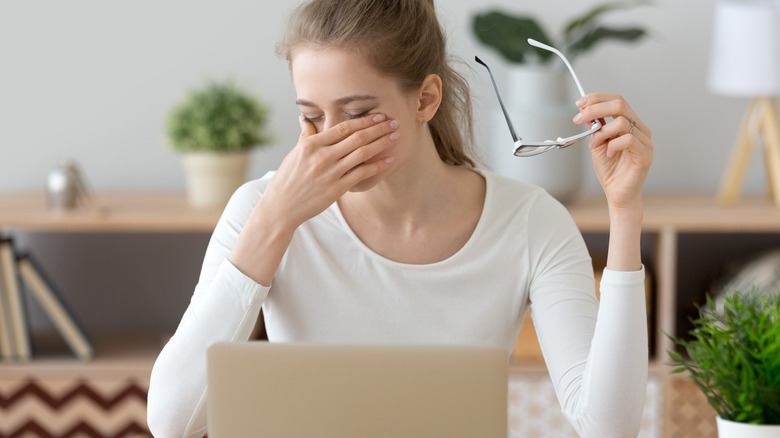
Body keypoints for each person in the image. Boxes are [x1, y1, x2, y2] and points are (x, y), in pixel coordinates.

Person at [147, 0, 653, 436]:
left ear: (425, 99)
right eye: (311, 117)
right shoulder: (264, 210)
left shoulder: (529, 222)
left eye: (358, 113)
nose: (331, 140)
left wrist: (624, 210)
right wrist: (276, 218)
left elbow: (607, 425)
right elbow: (172, 422)